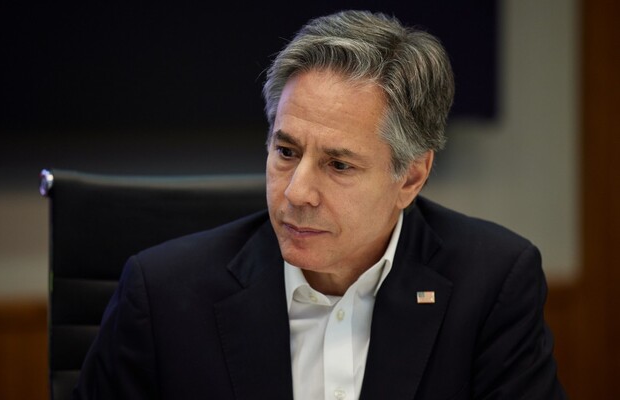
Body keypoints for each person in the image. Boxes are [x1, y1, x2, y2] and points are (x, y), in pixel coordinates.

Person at [74, 10, 565, 400]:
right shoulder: (162, 296)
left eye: (338, 165)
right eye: (286, 152)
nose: (296, 193)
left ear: (411, 177)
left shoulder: (491, 285)